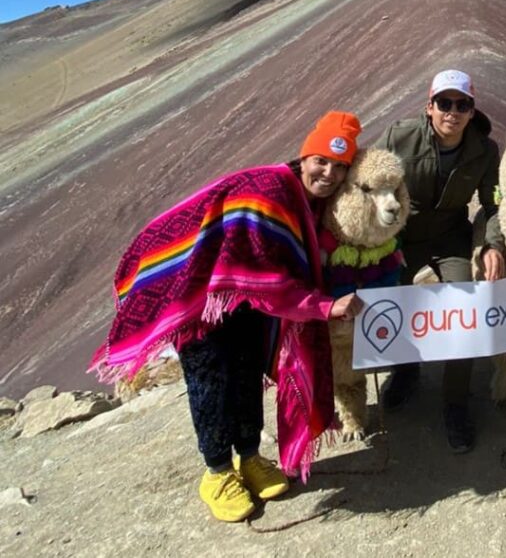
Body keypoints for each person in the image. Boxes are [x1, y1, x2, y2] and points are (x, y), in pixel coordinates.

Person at [90, 112, 366, 523]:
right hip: (199, 297)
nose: (328, 173)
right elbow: (266, 279)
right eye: (321, 161)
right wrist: (324, 307)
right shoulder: (269, 193)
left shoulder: (307, 200)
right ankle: (216, 473)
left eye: (339, 167)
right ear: (304, 157)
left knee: (246, 371)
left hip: (241, 302)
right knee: (211, 378)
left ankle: (249, 457)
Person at [375, 69, 506, 453]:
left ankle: (455, 403)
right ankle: (406, 371)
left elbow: (493, 203)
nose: (453, 111)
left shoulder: (484, 150)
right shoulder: (399, 136)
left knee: (464, 309)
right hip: (401, 233)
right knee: (395, 303)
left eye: (462, 104)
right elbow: (373, 181)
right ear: (429, 106)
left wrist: (492, 244)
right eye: (445, 103)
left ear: (471, 110)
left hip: (450, 235)